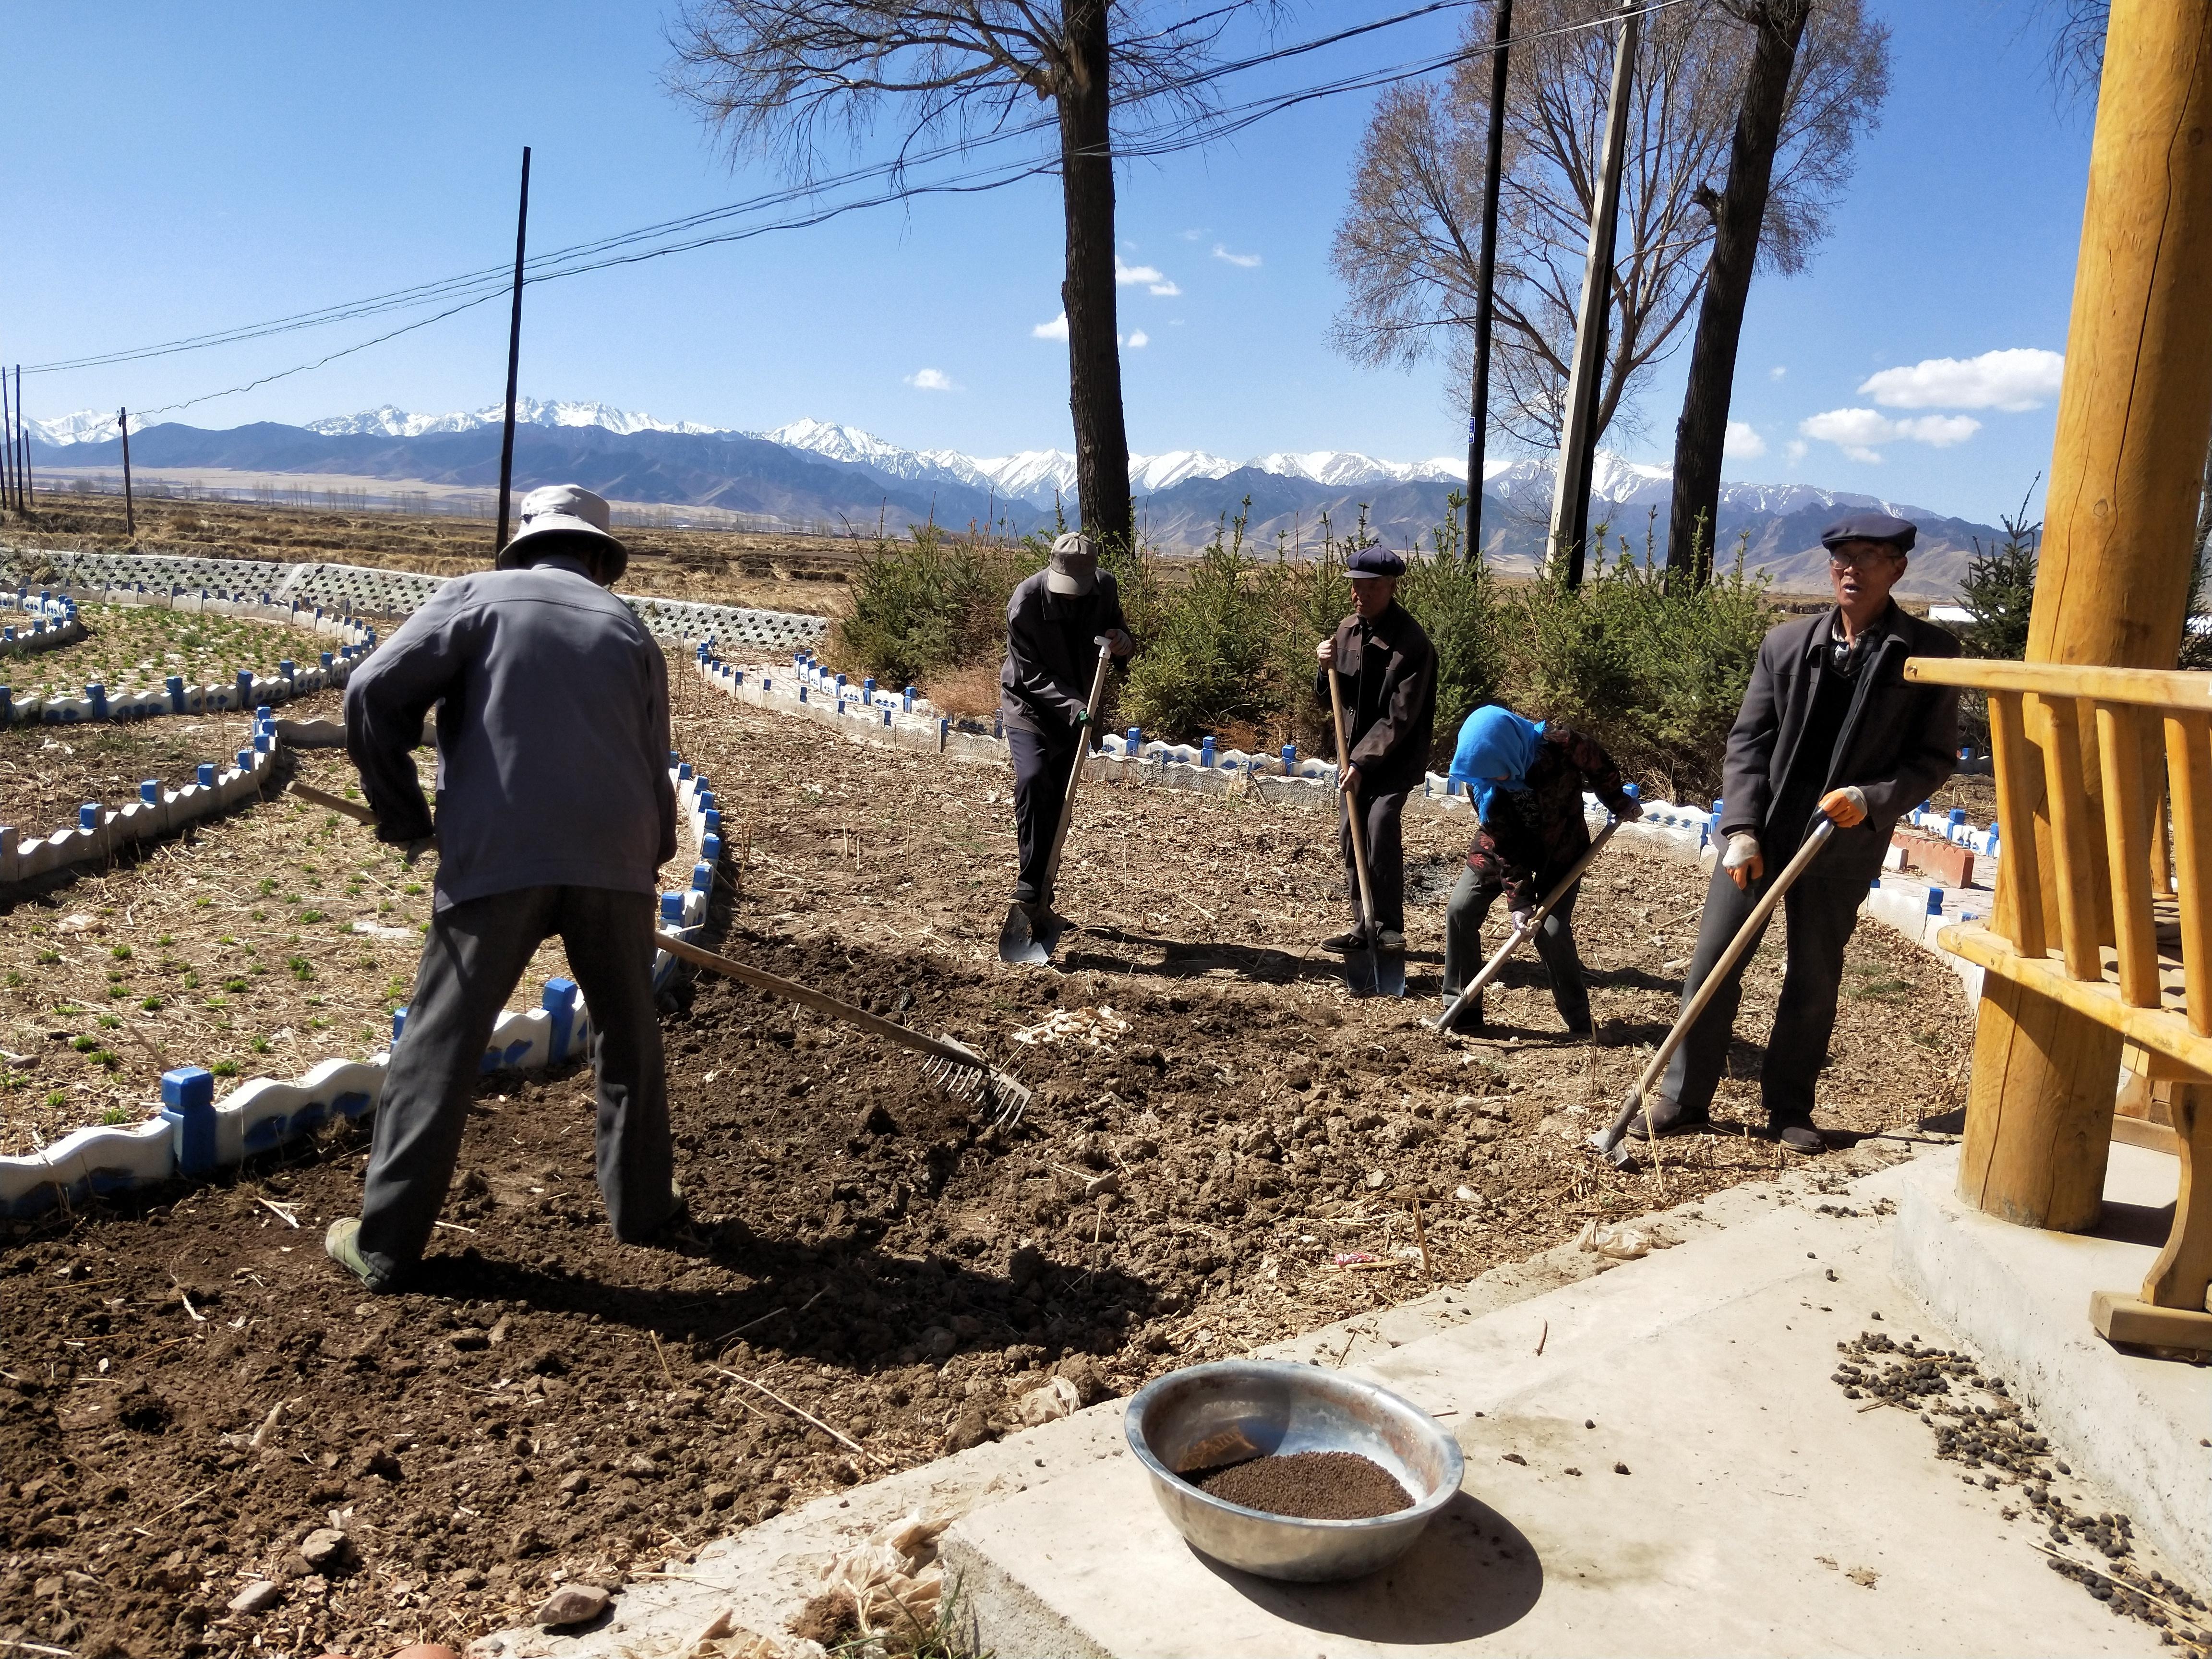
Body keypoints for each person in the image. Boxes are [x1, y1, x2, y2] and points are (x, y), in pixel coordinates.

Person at [326, 483, 683, 1291]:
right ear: (599, 559)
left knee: (439, 1045)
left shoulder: (473, 599)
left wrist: (404, 816)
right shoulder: (629, 628)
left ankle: (385, 1245)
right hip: (615, 859)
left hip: (501, 856)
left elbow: (371, 694)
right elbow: (650, 759)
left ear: (524, 547)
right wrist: (641, 864)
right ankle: (645, 1208)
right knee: (628, 1036)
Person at [1630, 509, 1960, 1153]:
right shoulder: (1786, 645)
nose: (1852, 568)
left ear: (1898, 568)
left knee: (1813, 977)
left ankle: (1788, 1107)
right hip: (1765, 834)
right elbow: (1748, 742)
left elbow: (1933, 759)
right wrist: (1742, 826)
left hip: (1843, 841)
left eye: (1870, 556)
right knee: (1715, 964)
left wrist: (1873, 798)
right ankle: (1684, 1098)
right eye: (1843, 555)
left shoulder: (1931, 656)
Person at [1440, 705, 1642, 1035]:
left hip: (1561, 849)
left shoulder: (1562, 745)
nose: (1489, 781)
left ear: (1507, 751)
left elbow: (1599, 764)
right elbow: (1504, 843)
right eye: (1483, 777)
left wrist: (1618, 801)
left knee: (1551, 930)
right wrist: (1520, 903)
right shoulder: (1482, 783)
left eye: (1495, 773)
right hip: (1502, 850)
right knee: (1460, 909)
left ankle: (1579, 1022)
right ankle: (1462, 1010)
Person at [1000, 531, 1136, 925]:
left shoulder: (1105, 587)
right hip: (1030, 707)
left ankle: (1044, 888)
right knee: (1033, 778)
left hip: (1080, 706)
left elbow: (1118, 633)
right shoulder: (1025, 602)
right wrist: (1074, 708)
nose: (1072, 596)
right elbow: (1030, 673)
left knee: (1059, 798)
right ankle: (1029, 884)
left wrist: (1123, 642)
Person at [1314, 546, 1437, 952]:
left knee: (1380, 824)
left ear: (1390, 587)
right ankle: (1362, 923)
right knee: (1351, 831)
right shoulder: (1347, 631)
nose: (1358, 595)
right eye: (1354, 587)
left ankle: (1386, 928)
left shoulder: (1412, 643)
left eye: (1369, 588)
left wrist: (1364, 763)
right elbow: (1331, 698)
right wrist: (1323, 667)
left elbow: (1400, 718)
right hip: (1354, 757)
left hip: (1393, 758)